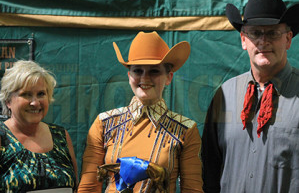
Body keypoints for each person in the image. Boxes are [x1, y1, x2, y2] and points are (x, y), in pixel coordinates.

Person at [78, 31, 203, 192]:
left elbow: (192, 189)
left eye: (154, 71)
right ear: (129, 75)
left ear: (168, 77)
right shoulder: (104, 123)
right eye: (138, 71)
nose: (145, 78)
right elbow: (88, 187)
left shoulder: (185, 130)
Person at [201, 0, 299, 192]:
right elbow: (210, 169)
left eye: (273, 33)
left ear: (288, 39)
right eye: (255, 33)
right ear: (244, 40)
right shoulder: (225, 96)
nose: (263, 41)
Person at [0, 60, 78, 192]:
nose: (35, 103)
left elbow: (75, 187)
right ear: (8, 101)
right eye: (26, 95)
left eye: (41, 94)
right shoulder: (2, 138)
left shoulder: (61, 136)